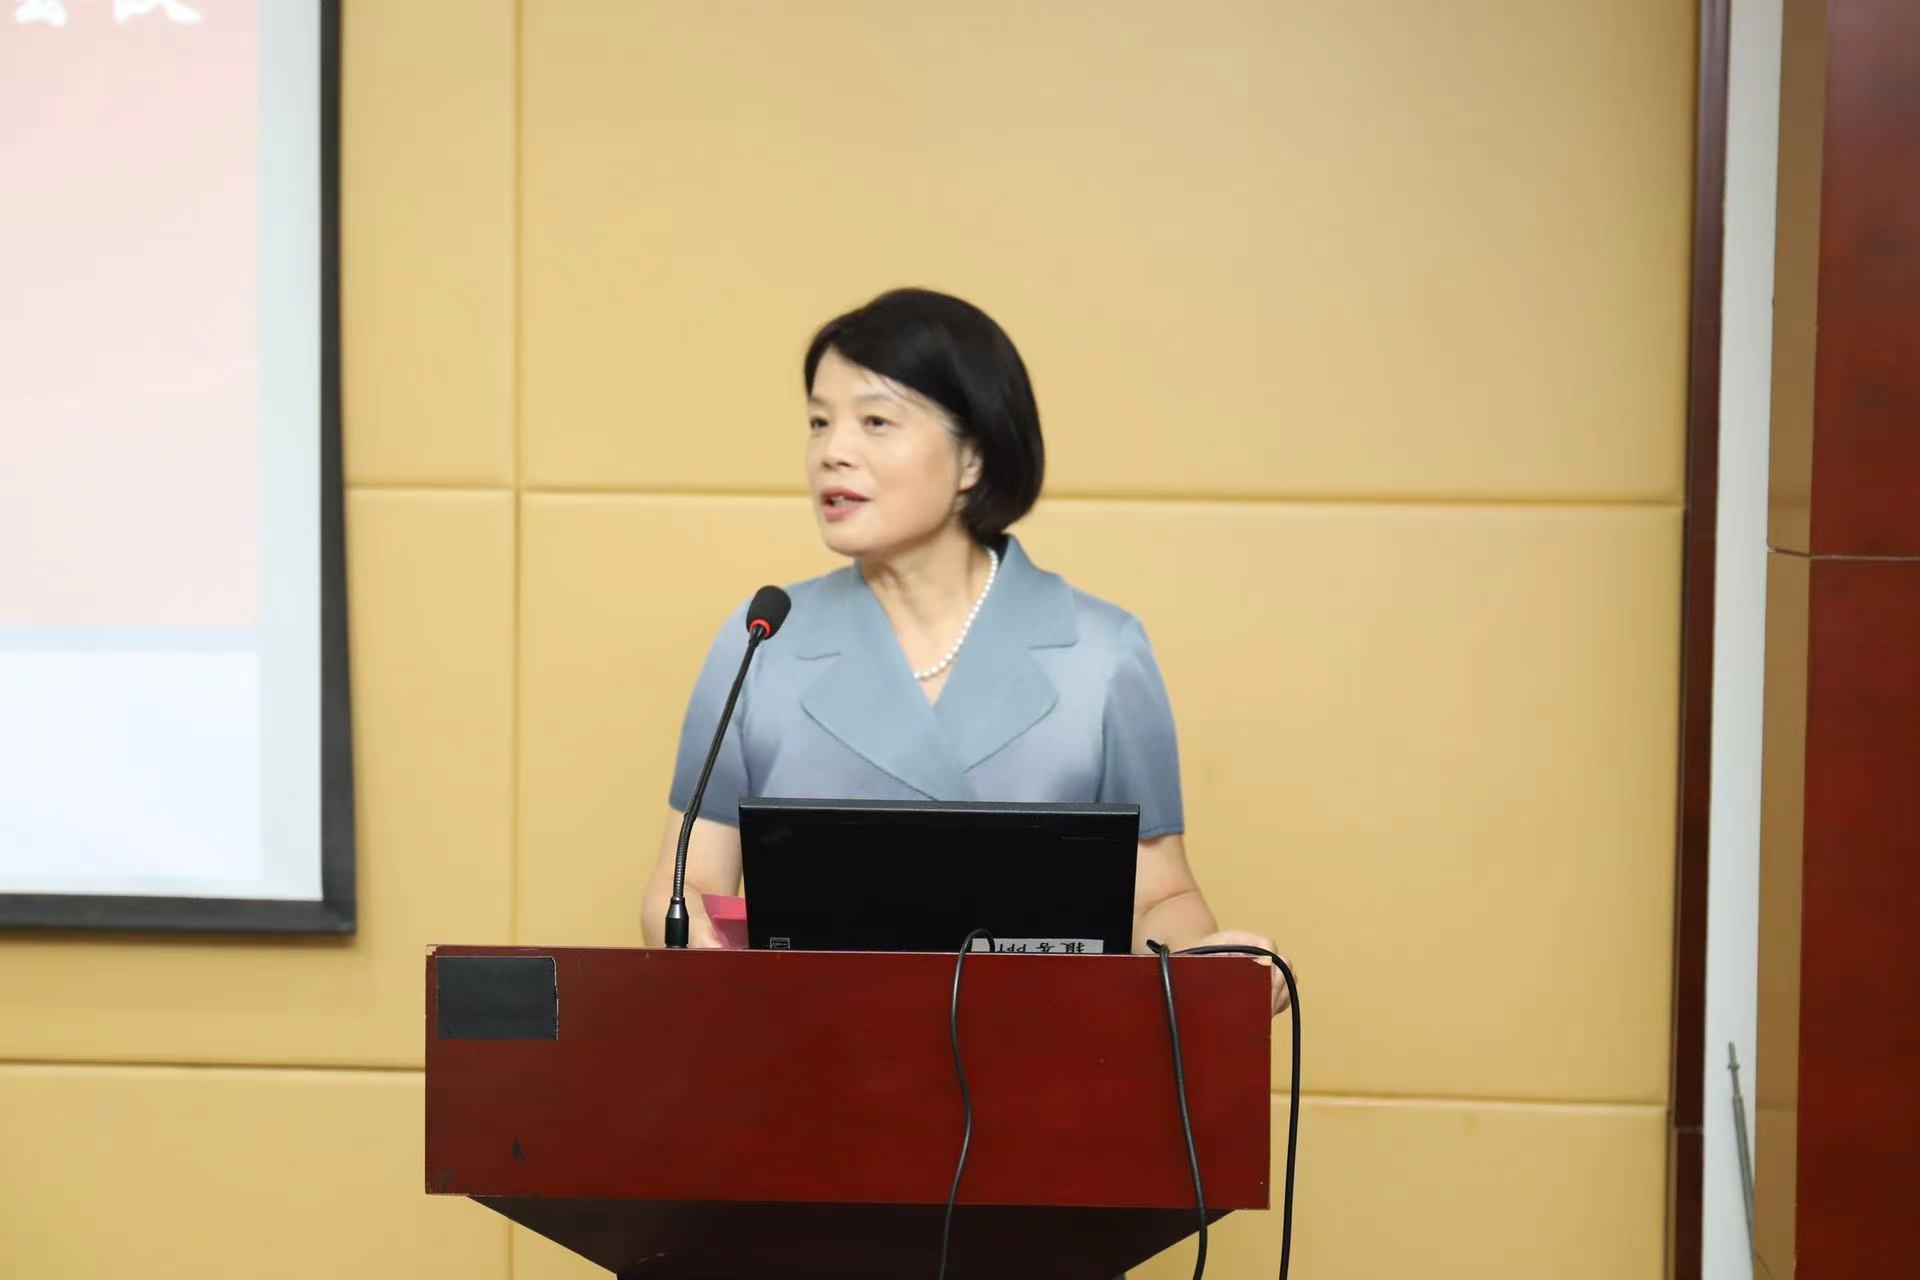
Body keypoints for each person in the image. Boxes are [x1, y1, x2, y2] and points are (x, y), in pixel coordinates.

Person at [641, 287, 1287, 1015]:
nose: (832, 452)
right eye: (819, 422)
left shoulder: (1102, 654)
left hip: (1041, 1055)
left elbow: (1158, 897)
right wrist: (700, 955)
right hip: (807, 1049)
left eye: (875, 421)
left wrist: (1211, 971)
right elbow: (686, 885)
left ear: (973, 457)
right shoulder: (764, 639)